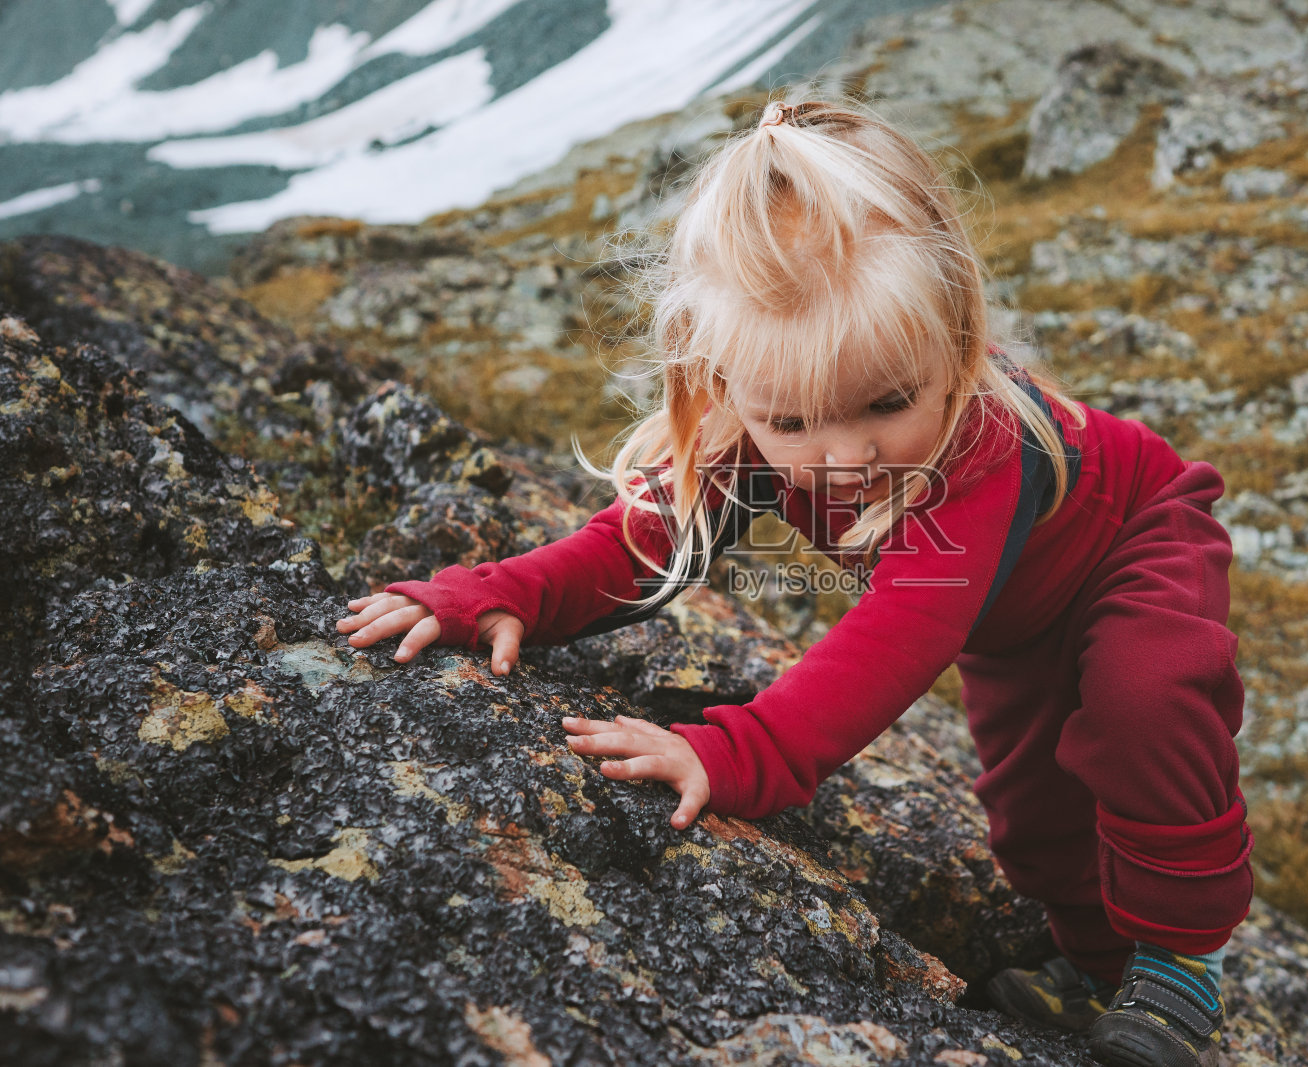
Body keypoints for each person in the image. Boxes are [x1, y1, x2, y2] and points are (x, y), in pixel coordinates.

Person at [337, 97, 1252, 1067]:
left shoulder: (982, 447)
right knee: (1030, 817)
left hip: (1132, 536)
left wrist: (741, 752)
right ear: (721, 382)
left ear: (956, 340)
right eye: (793, 421)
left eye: (889, 402)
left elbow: (897, 636)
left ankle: (1181, 956)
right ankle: (1099, 964)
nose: (844, 454)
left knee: (1140, 699)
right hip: (1013, 618)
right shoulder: (749, 425)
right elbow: (637, 545)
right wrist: (499, 593)